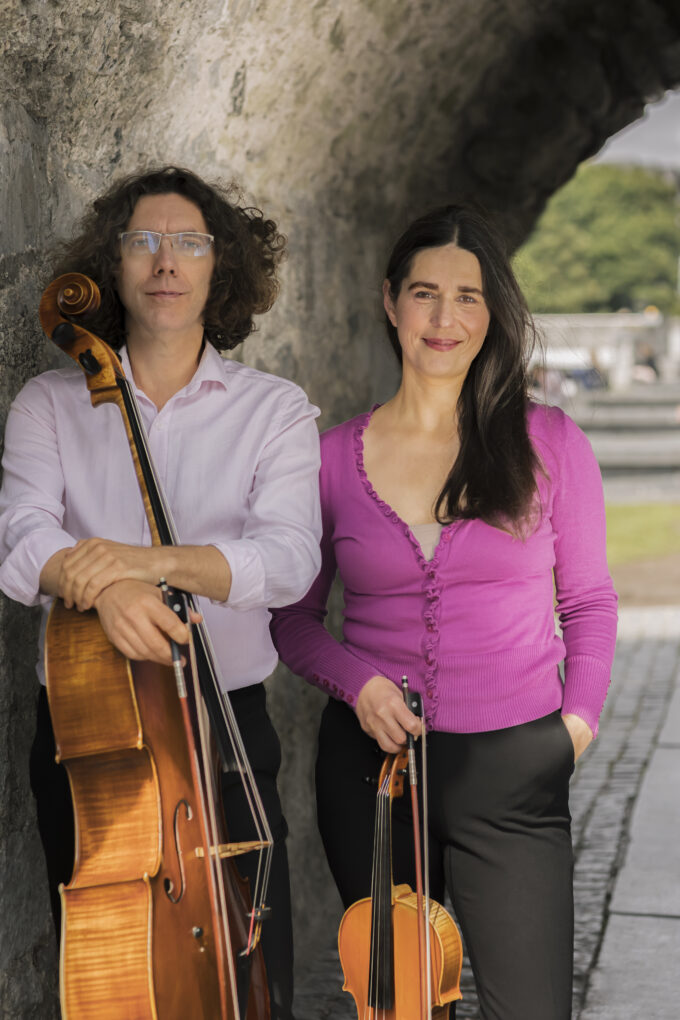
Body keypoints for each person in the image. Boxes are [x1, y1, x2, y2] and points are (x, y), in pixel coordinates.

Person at [270, 204, 618, 1020]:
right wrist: (360, 685)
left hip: (515, 766)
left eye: (467, 297)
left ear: (491, 313)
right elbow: (292, 617)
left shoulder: (550, 442)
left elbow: (592, 602)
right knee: (401, 1008)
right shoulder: (328, 460)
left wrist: (575, 728)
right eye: (425, 293)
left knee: (531, 1008)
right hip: (372, 770)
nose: (444, 318)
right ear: (390, 302)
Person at [0, 165, 321, 1020]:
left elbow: (288, 560)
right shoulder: (49, 403)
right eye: (144, 241)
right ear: (113, 265)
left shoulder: (275, 410)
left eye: (190, 243)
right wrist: (90, 586)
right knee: (119, 971)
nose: (166, 262)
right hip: (90, 728)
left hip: (228, 723)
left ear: (223, 270)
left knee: (254, 972)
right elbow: (20, 536)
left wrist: (140, 566)